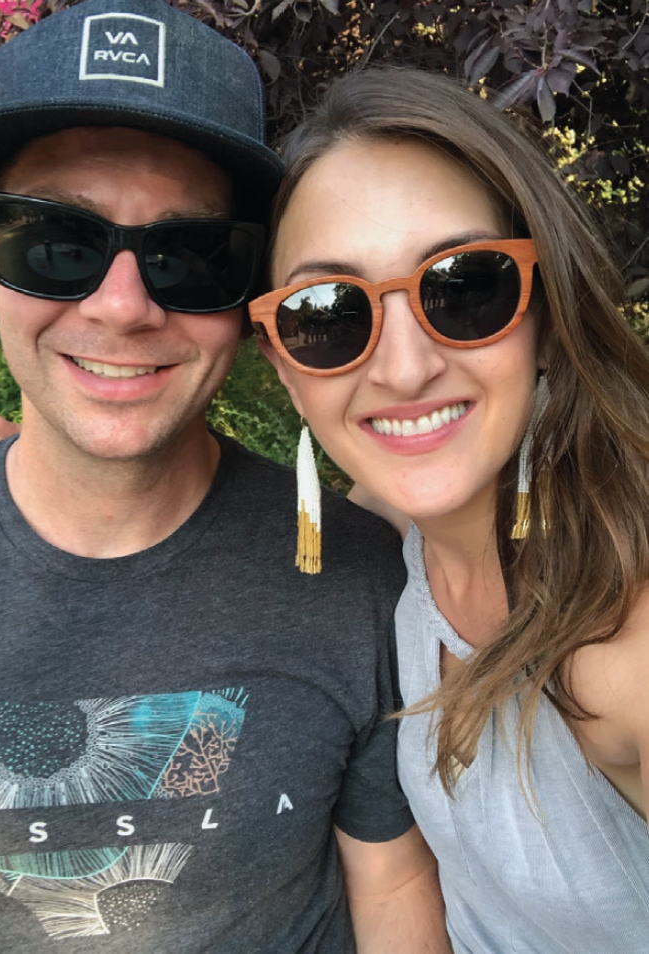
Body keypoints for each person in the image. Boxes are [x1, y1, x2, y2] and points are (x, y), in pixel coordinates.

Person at [0, 5, 452, 952]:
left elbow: (394, 885)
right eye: (57, 242)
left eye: (191, 256)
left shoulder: (364, 581)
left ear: (251, 292)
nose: (122, 307)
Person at [247, 67, 649, 952]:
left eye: (465, 286)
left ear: (545, 309)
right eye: (329, 315)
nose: (401, 370)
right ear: (283, 364)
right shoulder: (392, 527)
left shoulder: (622, 647)